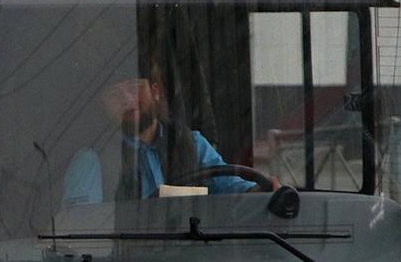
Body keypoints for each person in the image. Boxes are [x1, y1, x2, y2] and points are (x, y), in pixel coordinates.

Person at [61, 68, 272, 206]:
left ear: (155, 92)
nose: (126, 99)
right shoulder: (90, 161)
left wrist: (260, 191)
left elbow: (232, 190)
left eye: (134, 87)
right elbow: (83, 231)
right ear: (103, 107)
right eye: (114, 94)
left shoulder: (192, 144)